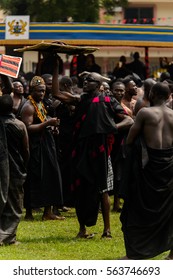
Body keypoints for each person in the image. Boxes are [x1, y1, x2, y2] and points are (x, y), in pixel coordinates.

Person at [52, 65, 134, 239]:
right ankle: (82, 229)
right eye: (85, 80)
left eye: (89, 81)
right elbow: (57, 94)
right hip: (81, 151)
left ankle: (107, 230)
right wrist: (55, 67)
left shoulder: (107, 100)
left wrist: (108, 128)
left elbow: (128, 120)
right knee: (80, 188)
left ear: (98, 84)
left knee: (102, 189)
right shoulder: (81, 99)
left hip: (102, 151)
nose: (85, 82)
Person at [119, 82, 173, 260]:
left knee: (137, 209)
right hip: (168, 168)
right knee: (168, 210)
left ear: (152, 94)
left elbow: (130, 139)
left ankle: (134, 253)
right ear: (168, 97)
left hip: (148, 167)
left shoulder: (145, 113)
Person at [20, 76, 64, 221]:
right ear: (32, 90)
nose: (41, 94)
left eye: (43, 91)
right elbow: (27, 127)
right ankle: (29, 213)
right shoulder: (28, 106)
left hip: (47, 145)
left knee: (50, 176)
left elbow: (43, 120)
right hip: (35, 147)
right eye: (39, 91)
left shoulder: (41, 104)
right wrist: (47, 124)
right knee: (34, 178)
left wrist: (52, 127)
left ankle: (48, 211)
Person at [0, 94, 29, 245]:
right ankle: (8, 237)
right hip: (16, 168)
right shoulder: (19, 125)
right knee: (15, 204)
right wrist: (25, 164)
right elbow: (26, 149)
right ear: (13, 107)